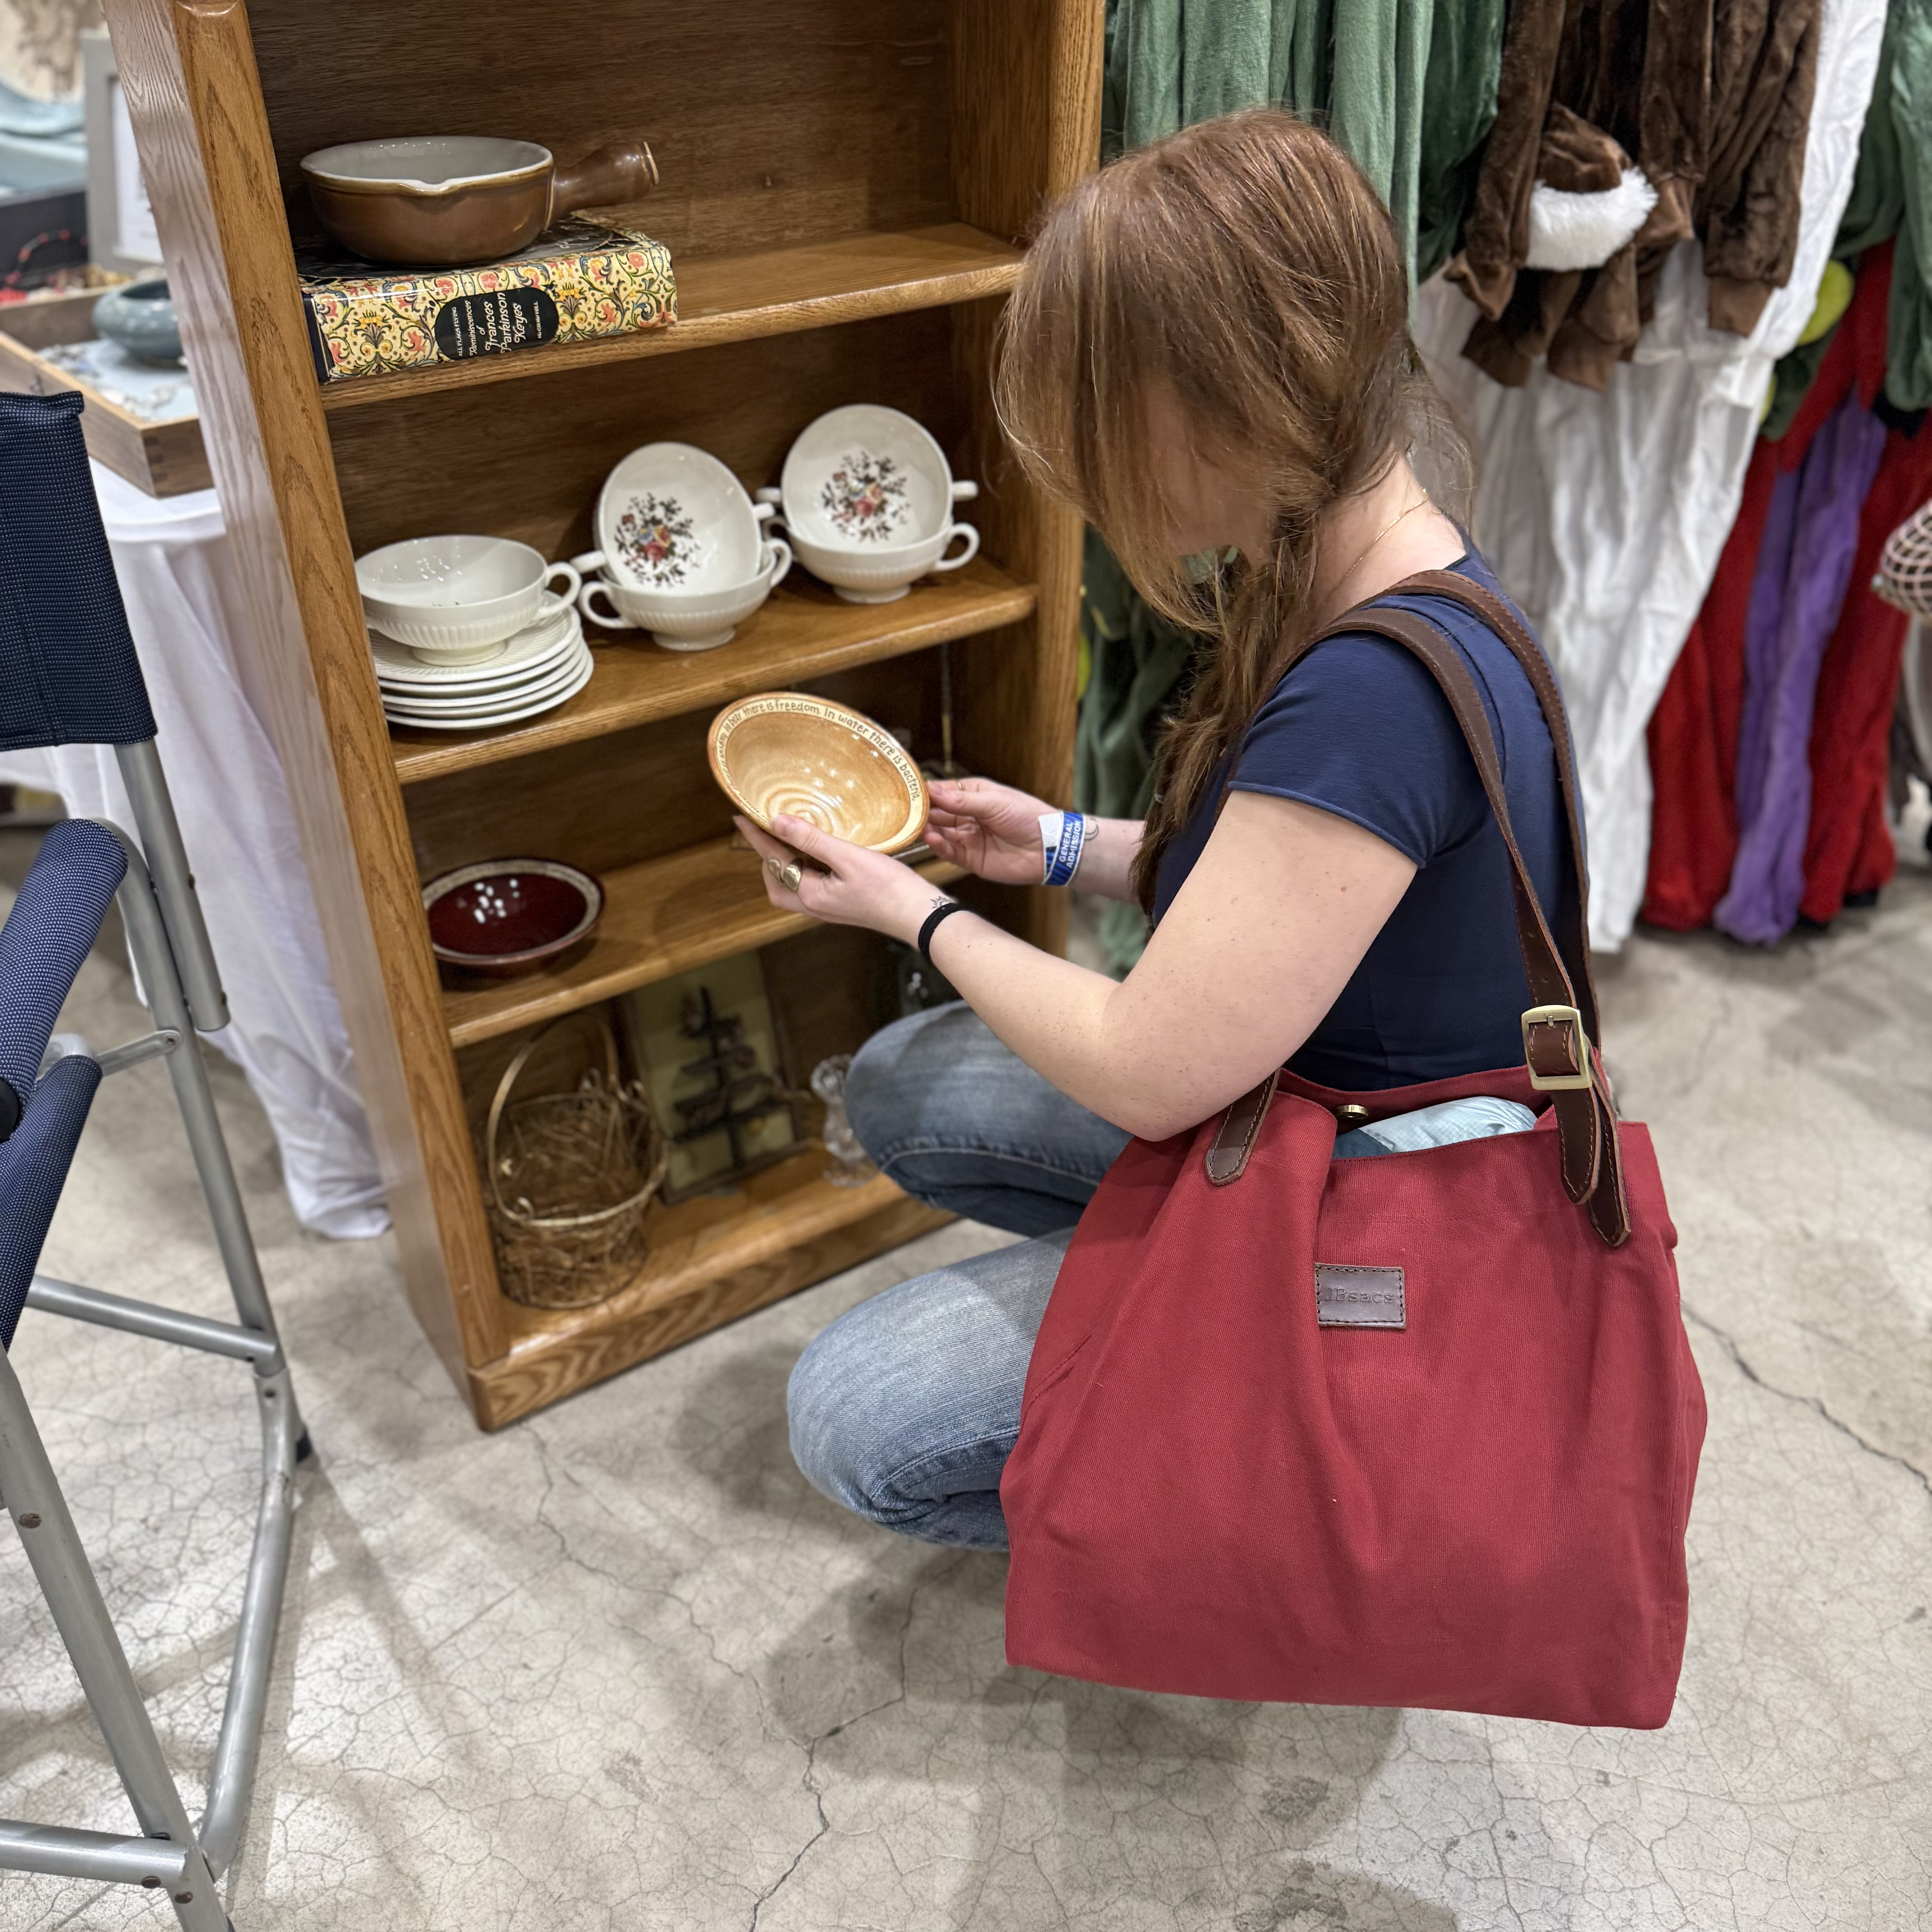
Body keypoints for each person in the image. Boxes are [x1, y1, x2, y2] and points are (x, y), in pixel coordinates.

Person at [732, 108, 1570, 1554]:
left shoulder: (1372, 694)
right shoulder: (1391, 573)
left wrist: (907, 909)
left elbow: (1150, 1073)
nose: (1095, 460)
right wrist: (1056, 844)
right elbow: (1293, 898)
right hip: (1320, 1108)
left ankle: (1255, 1487)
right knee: (905, 1085)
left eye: (1109, 413)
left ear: (1228, 395)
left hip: (1368, 1220)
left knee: (861, 1418)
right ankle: (1155, 1336)